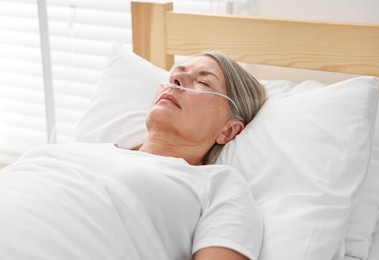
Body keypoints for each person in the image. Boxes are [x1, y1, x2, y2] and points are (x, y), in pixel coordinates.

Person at [0, 51, 267, 260]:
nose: (176, 80)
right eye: (176, 73)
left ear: (229, 130)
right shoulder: (77, 149)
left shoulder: (217, 185)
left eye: (203, 81)